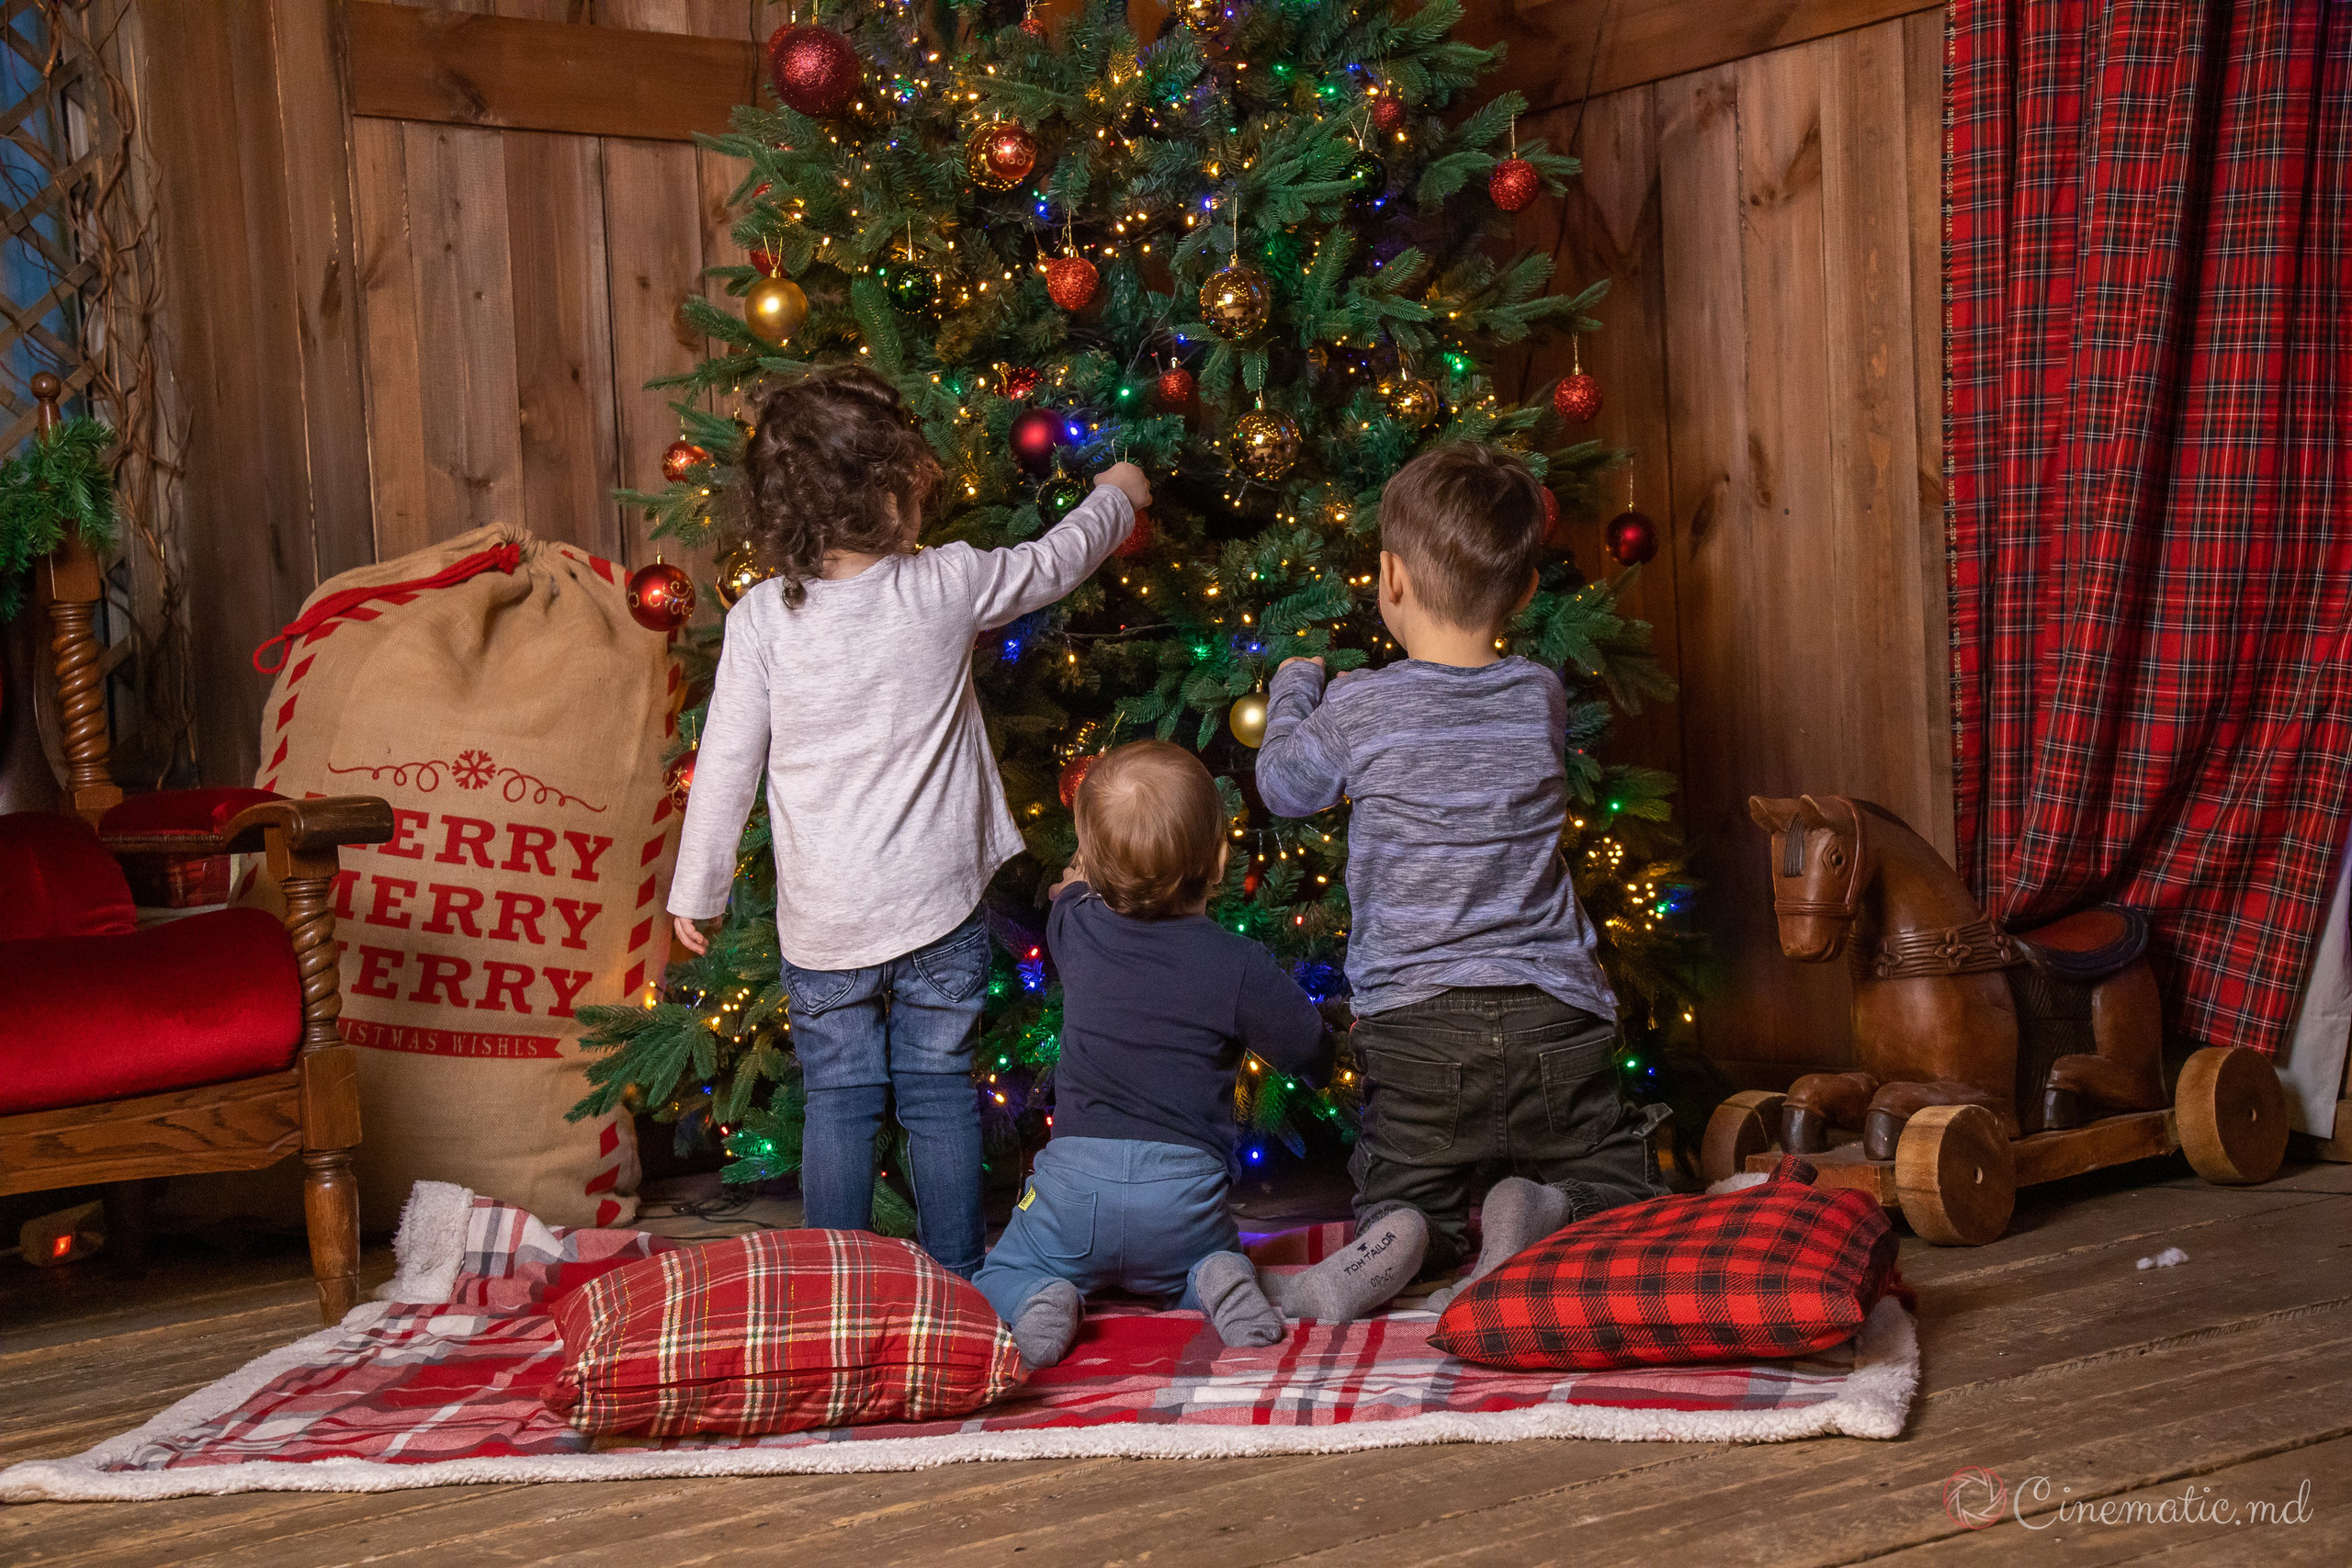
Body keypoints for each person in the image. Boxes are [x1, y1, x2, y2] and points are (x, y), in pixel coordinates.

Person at [668, 366, 1149, 1280]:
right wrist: (1116, 500)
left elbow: (727, 760)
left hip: (825, 918)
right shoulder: (943, 584)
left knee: (840, 1098)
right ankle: (959, 1278)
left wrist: (697, 886)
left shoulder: (764, 619)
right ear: (887, 493)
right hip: (938, 902)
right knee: (935, 1091)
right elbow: (1052, 562)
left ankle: (832, 1286)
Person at [1255, 442, 1664, 1322]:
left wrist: (1295, 687)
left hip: (1416, 1026)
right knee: (1617, 1176)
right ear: (1521, 594)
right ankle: (1549, 1206)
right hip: (1558, 1012)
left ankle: (1409, 1227)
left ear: (1389, 578)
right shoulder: (1538, 693)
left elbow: (1285, 784)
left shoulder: (1361, 703)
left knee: (1404, 1181)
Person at [974, 740, 1329, 1369]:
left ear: (1092, 864)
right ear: (1219, 860)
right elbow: (1304, 1044)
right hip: (1182, 1200)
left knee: (997, 1271)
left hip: (1071, 1194)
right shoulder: (1235, 963)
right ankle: (1217, 1278)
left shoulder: (1074, 927)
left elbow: (1070, 893)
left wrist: (1080, 880)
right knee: (1192, 1270)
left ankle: (1043, 1293)